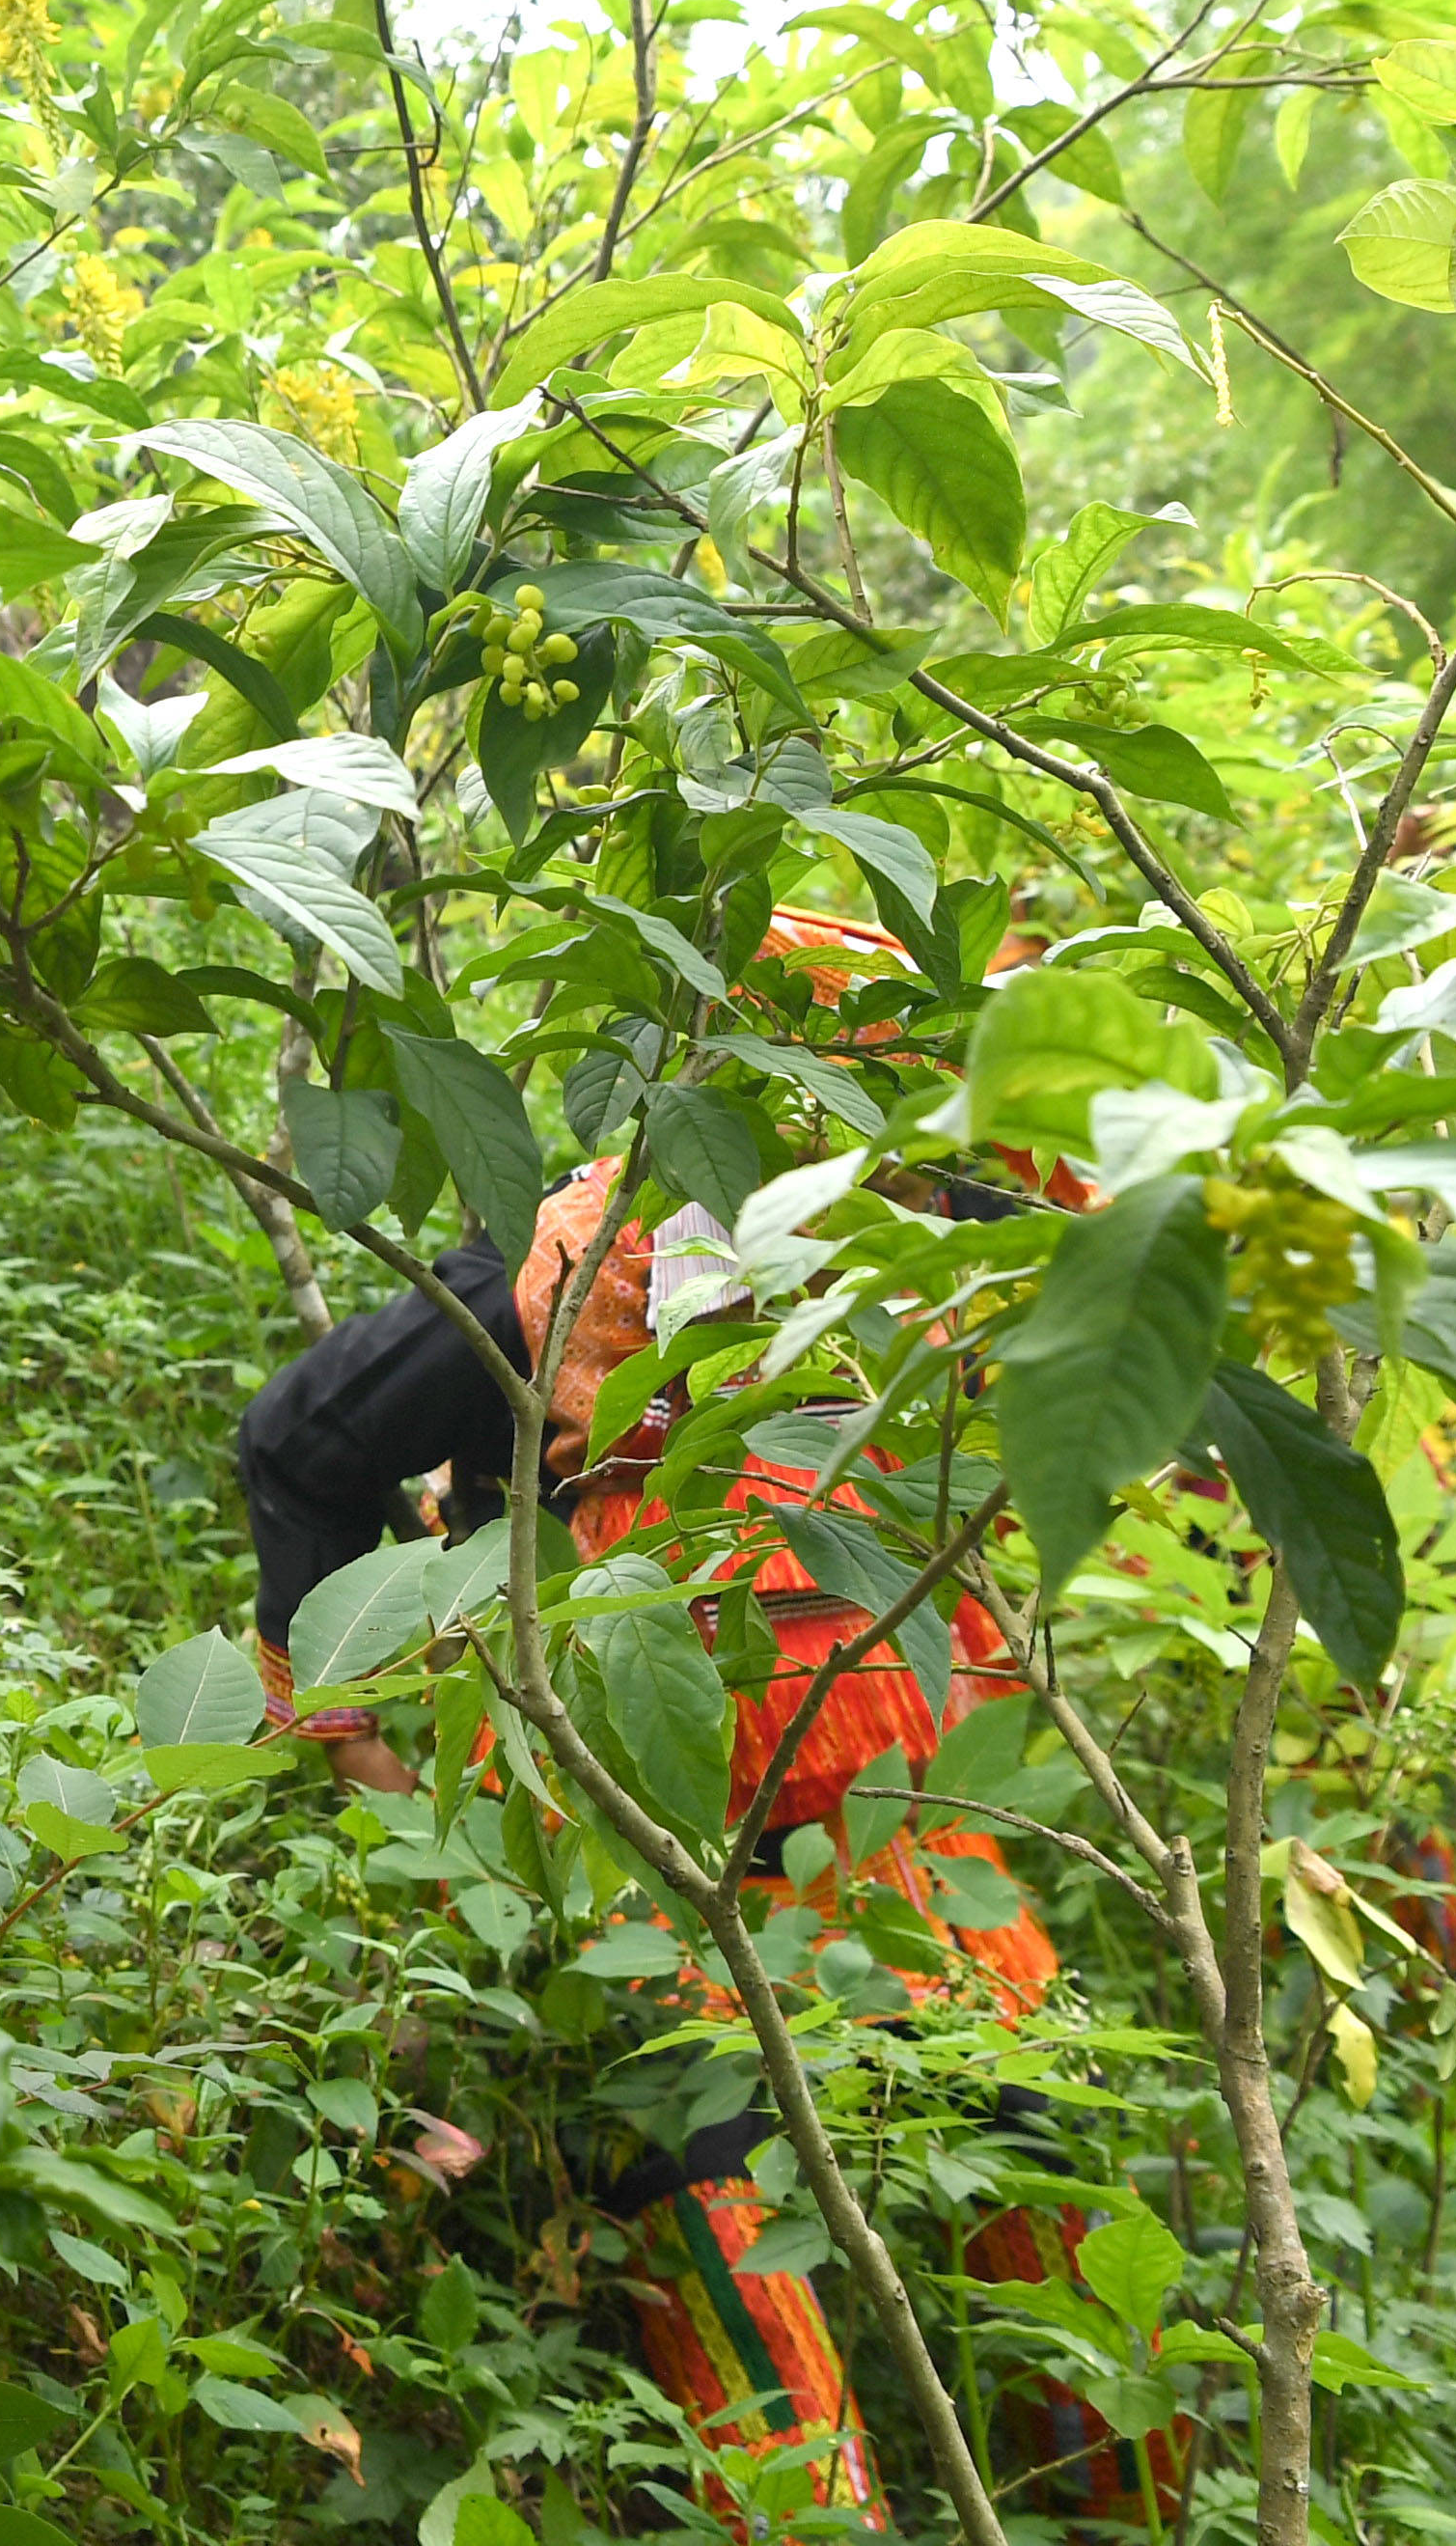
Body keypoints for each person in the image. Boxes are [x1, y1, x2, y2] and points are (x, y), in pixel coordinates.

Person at [231, 912, 1178, 2532]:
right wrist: (376, 1742)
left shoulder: (948, 1259)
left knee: (1075, 2244)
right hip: (659, 1883)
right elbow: (299, 1448)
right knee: (739, 2315)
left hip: (917, 1842)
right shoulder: (571, 1274)